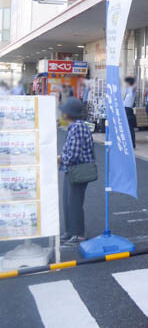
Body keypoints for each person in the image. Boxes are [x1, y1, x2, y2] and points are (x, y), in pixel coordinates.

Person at [58, 97, 96, 245]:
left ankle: (79, 234)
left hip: (78, 170)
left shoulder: (78, 127)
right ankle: (69, 231)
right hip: (72, 170)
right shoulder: (75, 126)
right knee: (68, 202)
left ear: (68, 113)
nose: (61, 113)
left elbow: (73, 155)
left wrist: (59, 158)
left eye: (63, 111)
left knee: (74, 202)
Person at [123, 76, 137, 148]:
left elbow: (135, 86)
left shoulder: (132, 91)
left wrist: (134, 79)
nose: (125, 84)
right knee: (125, 128)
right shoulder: (127, 91)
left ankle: (132, 144)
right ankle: (127, 143)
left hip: (128, 110)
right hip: (124, 110)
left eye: (126, 83)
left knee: (130, 128)